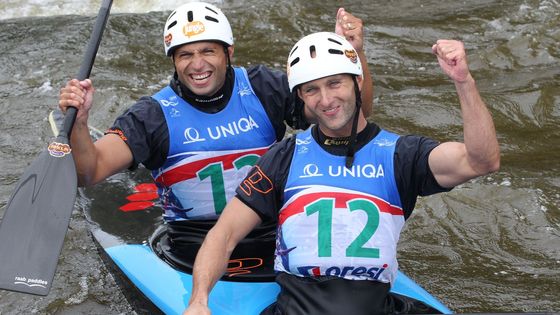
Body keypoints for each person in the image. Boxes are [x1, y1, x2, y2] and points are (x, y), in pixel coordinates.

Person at [183, 32, 500, 315]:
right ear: (302, 97)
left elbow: (481, 161)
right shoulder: (284, 157)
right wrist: (198, 301)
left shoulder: (402, 155)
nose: (326, 99)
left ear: (357, 82)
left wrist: (463, 81)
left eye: (335, 83)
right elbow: (223, 236)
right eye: (312, 90)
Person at [57, 2, 372, 272]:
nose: (197, 64)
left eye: (208, 50)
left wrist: (354, 56)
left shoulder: (264, 88)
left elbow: (350, 121)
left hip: (276, 239)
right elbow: (90, 171)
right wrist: (79, 124)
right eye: (185, 55)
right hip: (193, 248)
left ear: (228, 51)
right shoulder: (152, 115)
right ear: (174, 61)